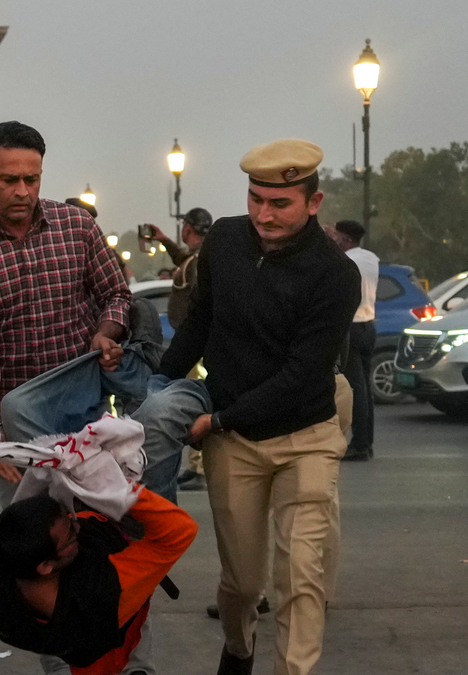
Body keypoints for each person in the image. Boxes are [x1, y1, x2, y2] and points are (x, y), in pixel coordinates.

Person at [134, 139, 360, 675]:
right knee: (241, 584)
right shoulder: (227, 240)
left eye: (280, 203)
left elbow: (302, 376)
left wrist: (217, 419)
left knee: (301, 576)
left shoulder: (335, 274)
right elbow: (201, 322)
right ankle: (238, 652)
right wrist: (160, 387)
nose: (264, 214)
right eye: (256, 199)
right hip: (235, 444)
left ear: (313, 202)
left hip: (305, 436)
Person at [0, 122, 146, 675]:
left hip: (84, 416)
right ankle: (64, 663)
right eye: (9, 180)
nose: (22, 192)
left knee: (107, 539)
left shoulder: (77, 227)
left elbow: (116, 295)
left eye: (32, 179)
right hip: (18, 426)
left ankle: (125, 658)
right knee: (41, 553)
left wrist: (108, 332)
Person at [0, 422, 197, 675]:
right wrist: (117, 490)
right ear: (45, 566)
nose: (76, 520)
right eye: (71, 530)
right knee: (161, 418)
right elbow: (178, 532)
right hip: (123, 528)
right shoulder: (107, 591)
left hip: (74, 639)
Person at [146, 208, 213, 492]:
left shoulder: (200, 261)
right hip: (190, 342)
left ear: (188, 227)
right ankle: (196, 466)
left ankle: (199, 467)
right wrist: (164, 240)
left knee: (191, 404)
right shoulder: (195, 258)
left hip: (193, 345)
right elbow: (183, 260)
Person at [329, 219, 379, 461]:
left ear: (346, 239)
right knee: (366, 390)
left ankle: (358, 445)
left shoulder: (348, 261)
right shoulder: (371, 259)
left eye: (338, 235)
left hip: (353, 327)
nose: (335, 239)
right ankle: (366, 442)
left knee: (355, 389)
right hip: (370, 325)